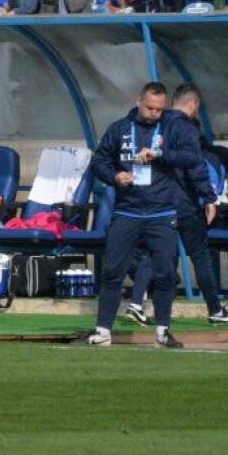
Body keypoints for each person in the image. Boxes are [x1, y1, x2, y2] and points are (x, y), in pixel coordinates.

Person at [87, 82, 201, 348]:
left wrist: (160, 154)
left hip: (162, 211)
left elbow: (192, 157)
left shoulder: (173, 127)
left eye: (159, 109)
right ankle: (103, 330)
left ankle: (162, 331)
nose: (154, 113)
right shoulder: (119, 128)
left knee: (164, 274)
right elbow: (99, 161)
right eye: (150, 107)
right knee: (113, 271)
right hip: (127, 211)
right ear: (138, 101)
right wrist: (115, 177)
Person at [127, 84, 228, 325]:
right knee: (199, 254)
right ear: (194, 105)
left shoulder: (155, 123)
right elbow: (195, 166)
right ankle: (215, 311)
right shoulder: (186, 128)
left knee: (152, 252)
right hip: (182, 201)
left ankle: (136, 303)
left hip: (156, 199)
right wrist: (208, 198)